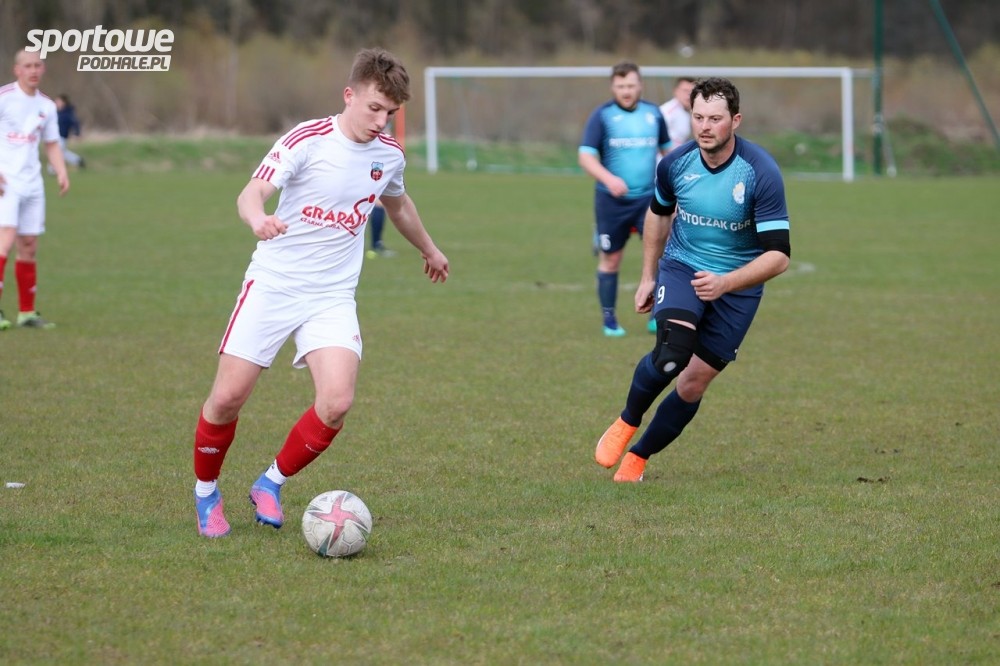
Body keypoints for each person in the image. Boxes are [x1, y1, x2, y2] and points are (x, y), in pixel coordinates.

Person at [191, 48, 450, 538]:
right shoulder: (307, 140)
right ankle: (206, 493)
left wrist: (430, 249)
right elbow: (251, 193)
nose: (381, 121)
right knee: (226, 398)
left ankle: (270, 483)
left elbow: (398, 206)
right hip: (274, 285)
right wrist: (258, 219)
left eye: (390, 112)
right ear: (349, 95)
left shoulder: (388, 155)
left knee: (336, 402)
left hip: (332, 296)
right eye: (374, 108)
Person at [594, 77, 791, 482]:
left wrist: (726, 283)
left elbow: (779, 256)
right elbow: (658, 214)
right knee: (672, 354)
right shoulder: (675, 164)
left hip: (738, 287)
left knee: (693, 384)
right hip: (683, 266)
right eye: (698, 117)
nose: (705, 126)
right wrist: (648, 275)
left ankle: (639, 457)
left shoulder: (760, 172)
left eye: (715, 119)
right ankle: (627, 420)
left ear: (735, 120)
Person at [579, 62, 670, 337]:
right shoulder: (602, 116)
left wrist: (676, 185)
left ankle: (657, 314)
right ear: (613, 87)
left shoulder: (653, 113)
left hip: (649, 200)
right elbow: (585, 155)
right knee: (611, 259)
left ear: (640, 85)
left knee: (660, 255)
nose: (626, 91)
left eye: (630, 85)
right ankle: (609, 319)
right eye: (620, 86)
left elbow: (668, 152)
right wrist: (609, 179)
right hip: (611, 202)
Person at [0, 50, 69, 331]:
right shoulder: (4, 98)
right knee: (4, 241)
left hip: (32, 184)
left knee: (29, 245)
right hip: (6, 182)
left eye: (38, 65)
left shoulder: (47, 106)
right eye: (28, 66)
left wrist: (61, 170)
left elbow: (51, 143)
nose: (33, 70)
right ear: (17, 70)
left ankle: (26, 313)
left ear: (43, 69)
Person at [659, 77, 696, 150]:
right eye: (685, 91)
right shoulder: (668, 111)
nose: (689, 95)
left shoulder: (690, 111)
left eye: (692, 92)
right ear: (676, 91)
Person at [54, 94, 85, 169]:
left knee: (56, 152)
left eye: (58, 101)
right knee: (62, 153)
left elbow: (75, 123)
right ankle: (77, 160)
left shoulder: (67, 113)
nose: (56, 103)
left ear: (63, 102)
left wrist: (77, 133)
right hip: (55, 136)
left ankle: (53, 169)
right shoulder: (57, 113)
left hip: (62, 136)